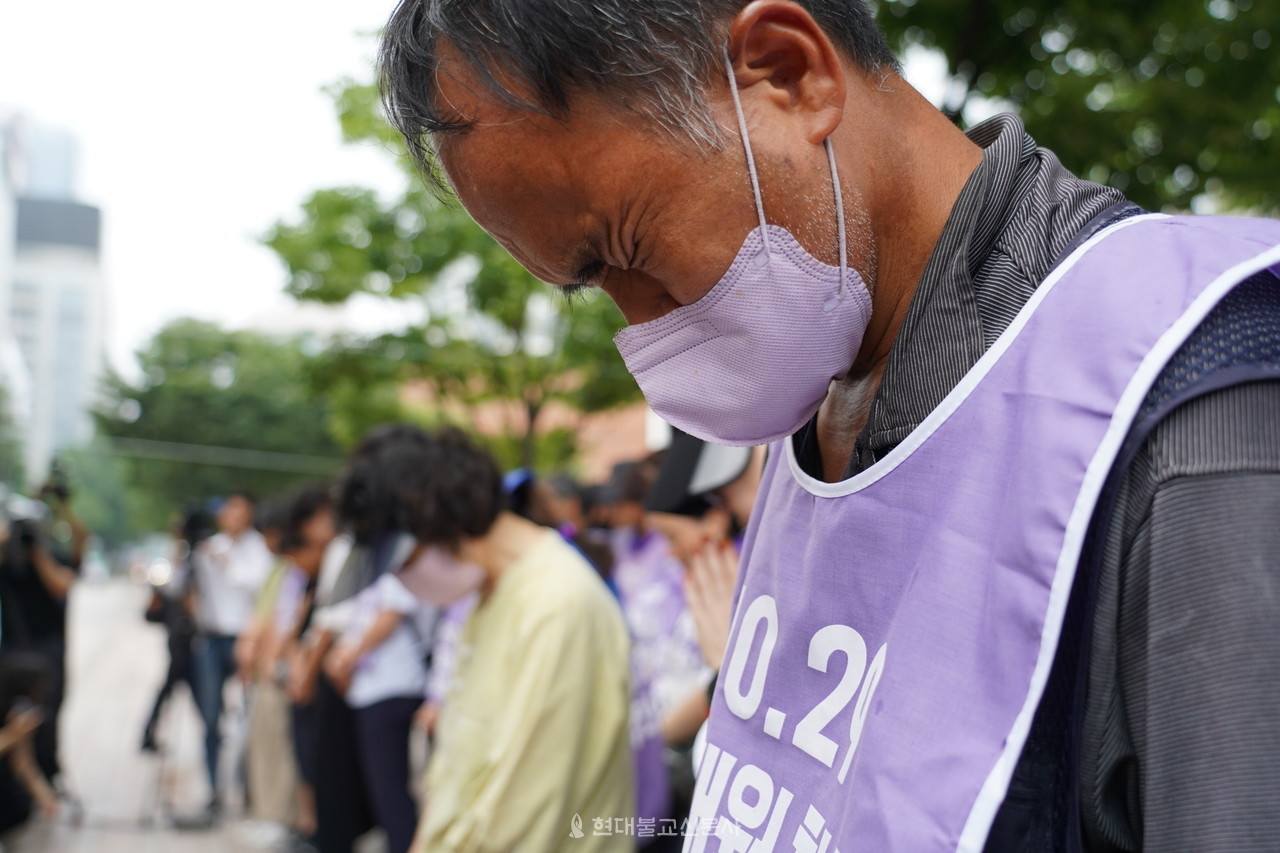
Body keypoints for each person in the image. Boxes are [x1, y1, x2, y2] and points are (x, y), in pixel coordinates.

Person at [377, 3, 1280, 850]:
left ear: (787, 73)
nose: (645, 329)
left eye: (628, 248)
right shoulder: (814, 393)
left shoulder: (1194, 408)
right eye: (588, 288)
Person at [373, 425, 633, 852]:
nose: (403, 581)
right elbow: (458, 763)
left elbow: (520, 813)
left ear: (440, 525)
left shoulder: (555, 602)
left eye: (403, 563)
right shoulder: (491, 593)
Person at [189, 490, 273, 816]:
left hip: (245, 639)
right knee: (210, 717)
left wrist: (224, 562)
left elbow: (253, 585)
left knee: (248, 717)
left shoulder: (258, 549)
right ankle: (213, 789)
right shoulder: (211, 546)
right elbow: (189, 588)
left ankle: (248, 788)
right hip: (211, 637)